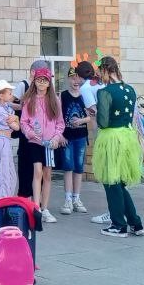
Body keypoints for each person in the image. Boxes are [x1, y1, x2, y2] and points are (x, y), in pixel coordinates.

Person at [90, 56, 144, 237]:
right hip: (127, 136)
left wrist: (96, 113)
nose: (99, 76)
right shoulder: (130, 89)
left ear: (105, 70)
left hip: (111, 138)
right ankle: (135, 223)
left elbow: (103, 122)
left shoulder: (105, 92)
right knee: (120, 183)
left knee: (111, 182)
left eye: (100, 72)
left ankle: (118, 225)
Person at [20, 65, 64, 223]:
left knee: (47, 174)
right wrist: (30, 133)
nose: (42, 83)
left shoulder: (55, 100)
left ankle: (45, 208)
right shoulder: (29, 100)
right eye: (39, 80)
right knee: (37, 171)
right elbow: (23, 122)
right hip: (35, 142)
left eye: (45, 80)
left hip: (50, 144)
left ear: (49, 83)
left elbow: (60, 123)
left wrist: (56, 138)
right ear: (34, 81)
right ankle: (36, 207)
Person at [14, 59, 52, 200]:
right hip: (26, 133)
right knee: (26, 166)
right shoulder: (23, 85)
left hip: (42, 137)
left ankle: (38, 200)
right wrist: (23, 106)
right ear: (33, 72)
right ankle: (24, 199)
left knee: (40, 169)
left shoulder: (46, 91)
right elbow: (10, 102)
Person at [58, 67, 92, 214]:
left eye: (78, 78)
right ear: (68, 79)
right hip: (67, 136)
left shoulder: (85, 95)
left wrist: (81, 120)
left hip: (80, 136)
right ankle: (67, 199)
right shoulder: (63, 96)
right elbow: (57, 116)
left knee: (78, 167)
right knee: (68, 167)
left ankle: (76, 198)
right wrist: (60, 134)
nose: (75, 81)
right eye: (72, 78)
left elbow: (91, 116)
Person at [0, 80, 20, 199]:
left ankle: (8, 199)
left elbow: (16, 124)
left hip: (5, 140)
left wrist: (15, 118)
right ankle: (3, 201)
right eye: (9, 93)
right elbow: (16, 127)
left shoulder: (5, 107)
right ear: (1, 95)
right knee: (3, 174)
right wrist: (16, 119)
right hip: (1, 141)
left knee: (11, 174)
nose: (11, 95)